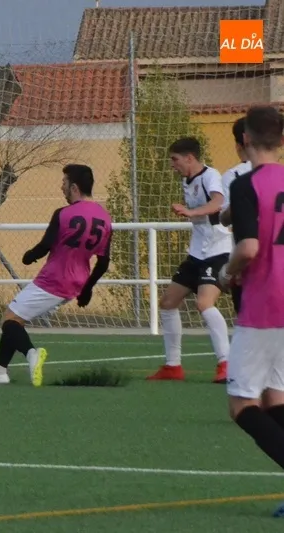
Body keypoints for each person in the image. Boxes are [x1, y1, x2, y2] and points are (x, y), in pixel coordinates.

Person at [0, 164, 112, 386]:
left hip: (54, 280)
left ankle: (31, 354)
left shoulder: (63, 214)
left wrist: (29, 256)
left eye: (64, 182)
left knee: (9, 320)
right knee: (17, 317)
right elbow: (103, 262)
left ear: (74, 187)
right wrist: (87, 289)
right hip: (76, 283)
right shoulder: (104, 217)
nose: (61, 186)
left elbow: (46, 245)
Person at [217, 106, 284, 516]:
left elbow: (249, 248)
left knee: (242, 406)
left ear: (244, 141)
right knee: (276, 398)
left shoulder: (245, 185)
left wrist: (227, 273)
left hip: (264, 304)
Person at [147, 137, 232, 384]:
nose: (173, 165)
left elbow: (217, 203)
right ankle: (173, 366)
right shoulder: (187, 180)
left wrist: (191, 212)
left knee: (204, 304)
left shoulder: (210, 175)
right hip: (197, 252)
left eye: (175, 160)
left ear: (189, 158)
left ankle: (226, 364)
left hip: (218, 250)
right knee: (168, 302)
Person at [218, 117, 252, 314]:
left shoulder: (235, 177)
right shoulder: (279, 175)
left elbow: (225, 218)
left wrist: (230, 269)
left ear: (241, 143)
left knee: (247, 329)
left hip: (249, 265)